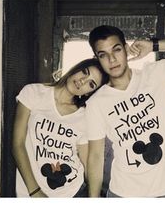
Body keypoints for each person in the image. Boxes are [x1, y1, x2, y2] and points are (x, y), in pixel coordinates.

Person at [86, 25, 165, 197]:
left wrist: (154, 46)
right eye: (103, 55)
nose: (112, 59)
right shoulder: (96, 103)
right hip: (124, 194)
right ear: (98, 58)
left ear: (126, 49)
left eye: (116, 50)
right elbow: (95, 156)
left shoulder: (154, 74)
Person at [12, 58, 109, 197]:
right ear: (76, 68)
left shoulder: (85, 116)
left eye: (91, 84)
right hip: (31, 192)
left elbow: (89, 164)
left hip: (73, 193)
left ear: (89, 93)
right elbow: (17, 144)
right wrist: (35, 191)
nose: (82, 81)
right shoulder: (33, 92)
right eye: (84, 72)